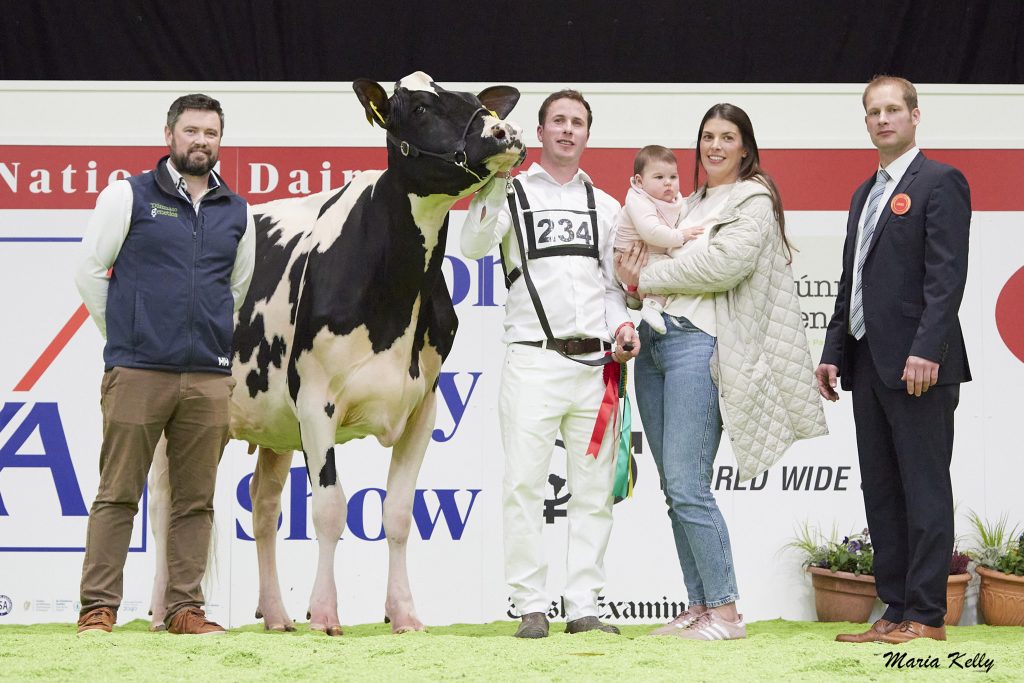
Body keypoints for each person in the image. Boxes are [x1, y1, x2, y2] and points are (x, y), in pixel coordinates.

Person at [617, 103, 827, 641]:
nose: (714, 146)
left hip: (698, 345)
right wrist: (635, 279)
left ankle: (727, 613)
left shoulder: (752, 198)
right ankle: (699, 605)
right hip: (656, 344)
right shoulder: (687, 202)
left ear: (744, 146)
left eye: (726, 137)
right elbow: (636, 263)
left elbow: (723, 265)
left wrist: (651, 275)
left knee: (689, 483)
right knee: (672, 486)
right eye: (707, 136)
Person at [74, 93, 255, 635]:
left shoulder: (237, 211)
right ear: (169, 135)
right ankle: (98, 608)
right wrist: (129, 339)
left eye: (211, 133)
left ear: (220, 141)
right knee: (118, 494)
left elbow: (236, 291)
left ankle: (183, 609)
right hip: (137, 372)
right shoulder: (127, 196)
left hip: (208, 377)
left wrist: (207, 344)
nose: (202, 141)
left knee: (196, 502)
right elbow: (90, 272)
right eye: (192, 131)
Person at [461, 89, 640, 638]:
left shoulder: (607, 206)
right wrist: (492, 181)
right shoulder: (510, 193)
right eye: (557, 121)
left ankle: (584, 603)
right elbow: (471, 245)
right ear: (539, 133)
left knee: (593, 492)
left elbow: (613, 289)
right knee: (523, 486)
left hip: (595, 367)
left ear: (588, 133)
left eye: (577, 122)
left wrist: (623, 326)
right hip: (532, 360)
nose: (567, 130)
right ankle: (530, 603)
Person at [816, 76, 971, 644]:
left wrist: (927, 348)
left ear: (914, 116)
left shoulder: (940, 181)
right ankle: (896, 608)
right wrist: (834, 350)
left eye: (892, 110)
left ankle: (927, 618)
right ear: (866, 121)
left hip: (920, 366)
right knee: (881, 491)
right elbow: (850, 281)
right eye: (873, 112)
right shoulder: (865, 193)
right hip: (867, 364)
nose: (883, 120)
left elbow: (946, 275)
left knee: (923, 489)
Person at [614, 145, 704, 335]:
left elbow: (679, 215)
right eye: (659, 177)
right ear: (639, 181)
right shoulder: (638, 200)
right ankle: (652, 306)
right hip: (629, 256)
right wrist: (682, 236)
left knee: (666, 266)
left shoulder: (671, 200)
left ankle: (637, 296)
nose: (668, 183)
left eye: (673, 177)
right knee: (667, 268)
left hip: (648, 256)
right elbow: (651, 232)